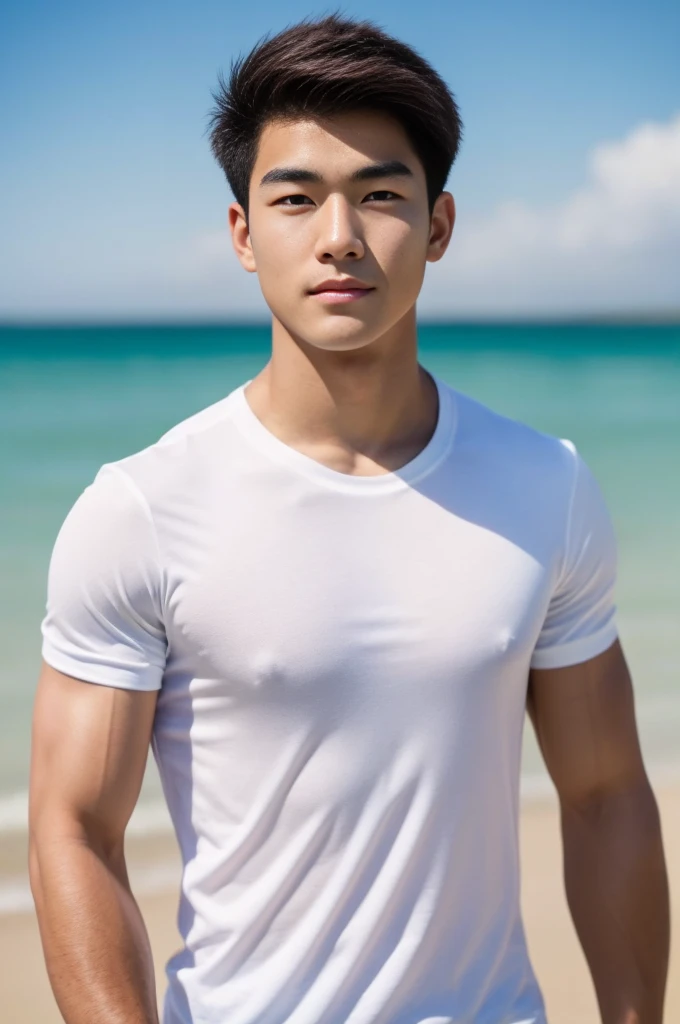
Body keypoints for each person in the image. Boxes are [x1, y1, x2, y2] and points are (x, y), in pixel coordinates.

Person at [28, 12, 670, 1024]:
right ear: (243, 233)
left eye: (379, 195)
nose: (339, 238)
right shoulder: (142, 509)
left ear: (439, 225)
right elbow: (73, 829)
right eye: (295, 198)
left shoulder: (544, 482)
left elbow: (603, 795)